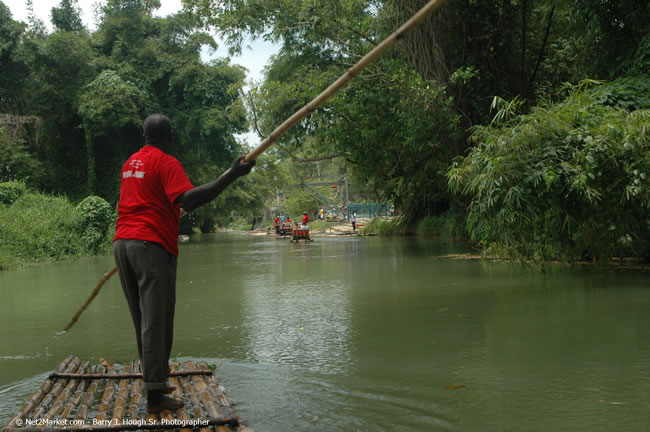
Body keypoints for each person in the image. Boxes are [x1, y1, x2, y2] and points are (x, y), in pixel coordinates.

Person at [112, 114, 255, 413]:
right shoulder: (166, 162)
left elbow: (148, 202)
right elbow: (188, 200)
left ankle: (156, 381)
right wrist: (231, 174)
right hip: (149, 246)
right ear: (170, 136)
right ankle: (154, 396)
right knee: (156, 321)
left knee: (143, 320)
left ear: (144, 135)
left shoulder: (131, 163)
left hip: (123, 244)